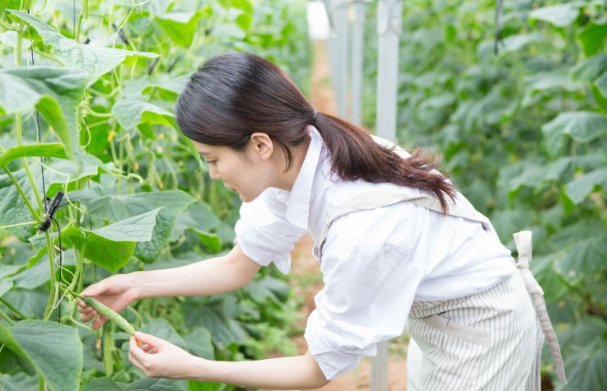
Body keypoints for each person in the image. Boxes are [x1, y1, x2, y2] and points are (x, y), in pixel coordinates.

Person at [77, 52, 565, 390]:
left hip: (484, 328)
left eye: (212, 159)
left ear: (259, 145)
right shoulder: (301, 154)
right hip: (438, 321)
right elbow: (237, 266)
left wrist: (195, 367)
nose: (212, 175)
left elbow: (317, 370)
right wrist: (135, 284)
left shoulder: (364, 232)